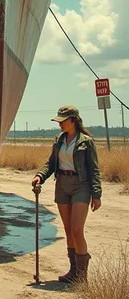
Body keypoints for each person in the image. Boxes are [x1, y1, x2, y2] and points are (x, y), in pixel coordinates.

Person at [31, 105, 102, 284]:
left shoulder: (86, 142)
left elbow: (94, 169)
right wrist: (40, 176)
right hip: (62, 184)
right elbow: (51, 164)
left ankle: (82, 276)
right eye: (59, 121)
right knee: (69, 230)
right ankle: (73, 272)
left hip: (81, 185)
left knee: (77, 230)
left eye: (63, 121)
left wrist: (96, 194)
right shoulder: (59, 141)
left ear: (73, 121)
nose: (60, 124)